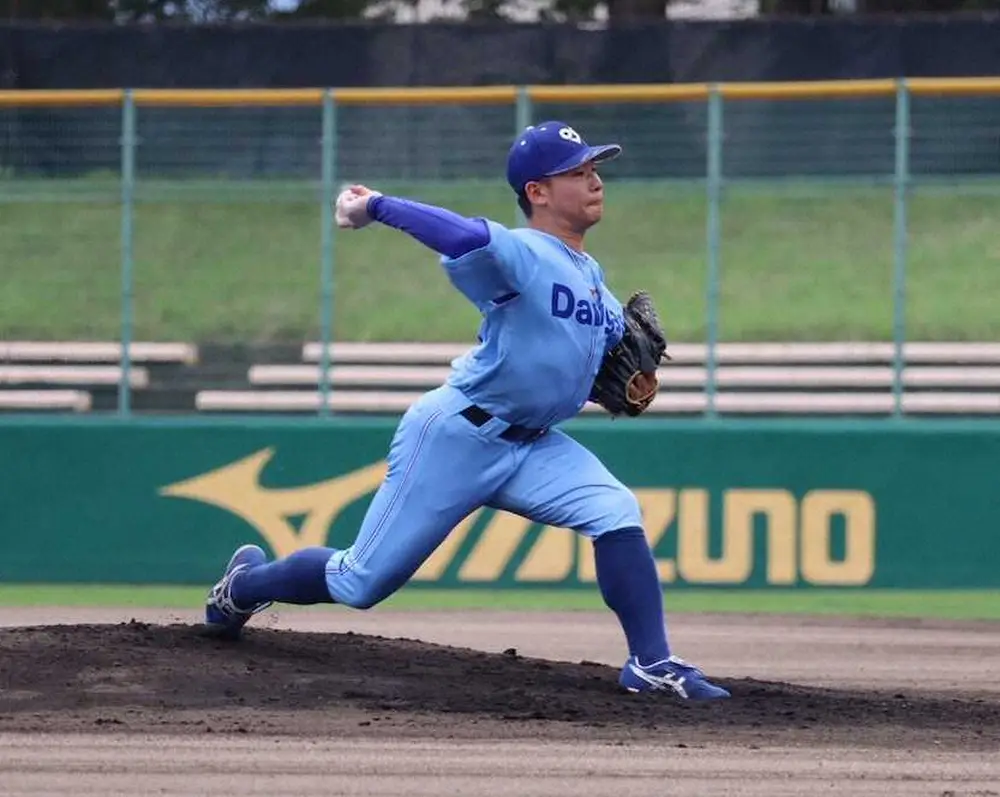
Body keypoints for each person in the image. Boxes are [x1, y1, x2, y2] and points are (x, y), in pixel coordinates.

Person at [204, 121, 730, 701]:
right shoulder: (522, 252)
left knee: (615, 509)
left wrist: (624, 384)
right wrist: (376, 206)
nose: (595, 181)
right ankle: (242, 587)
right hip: (458, 436)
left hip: (533, 444)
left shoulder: (595, 283)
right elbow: (460, 235)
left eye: (594, 169)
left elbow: (586, 362)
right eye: (578, 172)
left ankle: (651, 663)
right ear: (538, 192)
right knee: (359, 582)